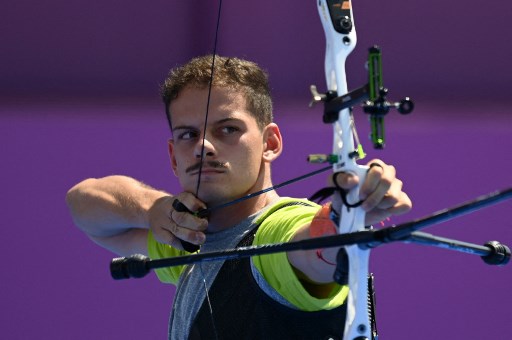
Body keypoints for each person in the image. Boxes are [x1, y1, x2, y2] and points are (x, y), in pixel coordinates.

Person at [66, 55, 412, 339]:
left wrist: (346, 211)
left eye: (227, 129)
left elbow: (313, 249)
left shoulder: (277, 229)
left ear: (270, 143)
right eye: (188, 134)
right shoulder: (189, 238)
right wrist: (153, 208)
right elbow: (83, 202)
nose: (202, 145)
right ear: (173, 157)